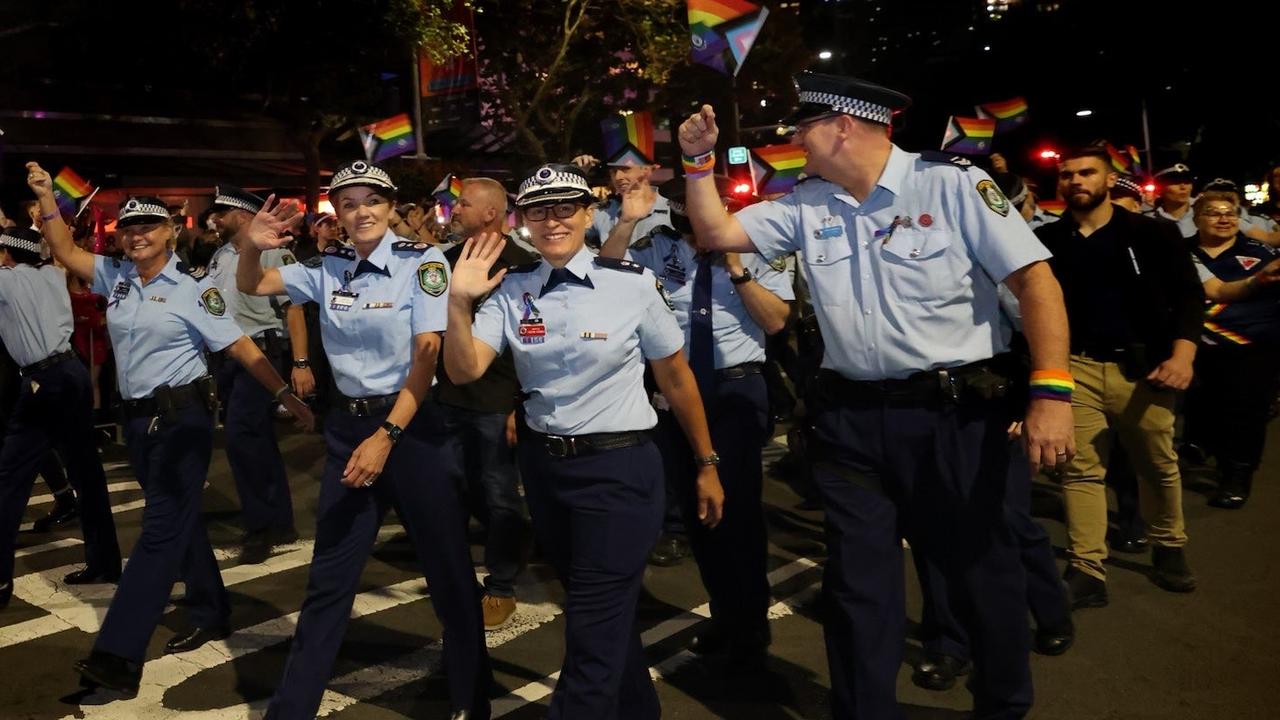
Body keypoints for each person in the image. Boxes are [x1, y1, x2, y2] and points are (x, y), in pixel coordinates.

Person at [678, 72, 1075, 719]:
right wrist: (697, 165)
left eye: (803, 131)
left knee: (981, 573)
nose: (795, 144)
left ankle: (1003, 704)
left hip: (954, 417)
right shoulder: (809, 204)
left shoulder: (951, 186)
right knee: (859, 587)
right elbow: (717, 235)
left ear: (843, 126)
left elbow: (1035, 283)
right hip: (852, 422)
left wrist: (1050, 394)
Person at [444, 163, 724, 719]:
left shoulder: (631, 284)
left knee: (591, 632)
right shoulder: (512, 290)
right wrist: (457, 302)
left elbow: (675, 378)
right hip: (547, 475)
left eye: (564, 208)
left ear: (589, 214)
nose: (552, 221)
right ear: (521, 221)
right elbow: (463, 370)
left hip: (620, 472)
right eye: (538, 211)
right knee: (604, 619)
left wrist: (706, 461)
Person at [23, 163, 313, 696]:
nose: (135, 235)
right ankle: (211, 606)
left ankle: (117, 656)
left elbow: (239, 344)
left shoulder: (194, 290)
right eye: (128, 229)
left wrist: (282, 392)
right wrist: (47, 197)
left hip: (183, 421)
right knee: (176, 520)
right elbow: (64, 250)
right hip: (137, 419)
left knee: (158, 530)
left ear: (171, 234)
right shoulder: (117, 277)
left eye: (148, 228)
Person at [236, 160, 491, 720]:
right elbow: (252, 283)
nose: (361, 212)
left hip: (410, 428)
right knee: (330, 576)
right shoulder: (327, 268)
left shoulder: (421, 263)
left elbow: (427, 356)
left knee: (447, 567)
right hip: (348, 429)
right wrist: (249, 244)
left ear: (392, 205)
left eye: (371, 200)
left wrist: (387, 435)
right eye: (348, 204)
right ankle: (292, 709)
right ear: (339, 215)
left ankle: (472, 694)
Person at [599, 178, 791, 665]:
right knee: (697, 512)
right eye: (685, 225)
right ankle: (726, 615)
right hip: (675, 391)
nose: (692, 236)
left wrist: (738, 269)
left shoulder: (759, 247)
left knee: (738, 511)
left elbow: (775, 322)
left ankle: (750, 626)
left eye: (701, 225)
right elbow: (603, 276)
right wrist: (625, 221)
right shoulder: (654, 247)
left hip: (734, 388)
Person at [1036, 146, 1201, 607]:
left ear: (1109, 180)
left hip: (1145, 370)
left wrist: (1183, 357)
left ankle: (1169, 543)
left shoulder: (1153, 233)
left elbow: (1190, 298)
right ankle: (1087, 566)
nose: (1075, 181)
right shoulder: (1048, 241)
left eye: (1086, 173)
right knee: (1081, 470)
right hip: (1076, 367)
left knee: (1156, 464)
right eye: (1066, 175)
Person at [0, 227, 121, 610]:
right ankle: (104, 562)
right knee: (86, 471)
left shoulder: (6, 280)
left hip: (43, 380)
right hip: (72, 372)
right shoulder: (52, 274)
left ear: (7, 254)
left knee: (9, 479)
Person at [435, 176, 535, 631]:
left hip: (497, 402)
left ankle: (501, 585)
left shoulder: (525, 266)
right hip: (448, 397)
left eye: (464, 203)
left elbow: (533, 343)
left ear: (492, 214)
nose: (454, 210)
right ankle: (459, 578)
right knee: (452, 493)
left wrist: (518, 404)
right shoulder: (443, 263)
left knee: (500, 497)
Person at [206, 185, 303, 563]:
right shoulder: (219, 255)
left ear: (243, 216)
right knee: (257, 440)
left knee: (242, 438)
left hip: (260, 352)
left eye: (222, 212)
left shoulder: (275, 251)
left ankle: (260, 526)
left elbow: (293, 310)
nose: (215, 218)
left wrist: (301, 363)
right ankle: (279, 521)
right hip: (229, 356)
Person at [1182, 191, 1280, 508]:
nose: (1224, 218)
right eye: (1213, 212)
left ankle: (1237, 476)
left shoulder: (1261, 253)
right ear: (1196, 219)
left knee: (1246, 416)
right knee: (1204, 410)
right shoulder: (1178, 254)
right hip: (1192, 351)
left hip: (1251, 352)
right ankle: (1202, 449)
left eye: (1231, 213)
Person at [574, 152, 671, 249]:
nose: (618, 177)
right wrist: (576, 176)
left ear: (645, 170)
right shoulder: (603, 212)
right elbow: (569, 233)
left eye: (626, 169)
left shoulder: (672, 207)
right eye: (613, 171)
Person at [1144, 163, 1197, 238]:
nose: (1183, 187)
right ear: (1159, 188)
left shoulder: (1204, 216)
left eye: (1187, 181)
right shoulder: (1148, 221)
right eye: (1175, 182)